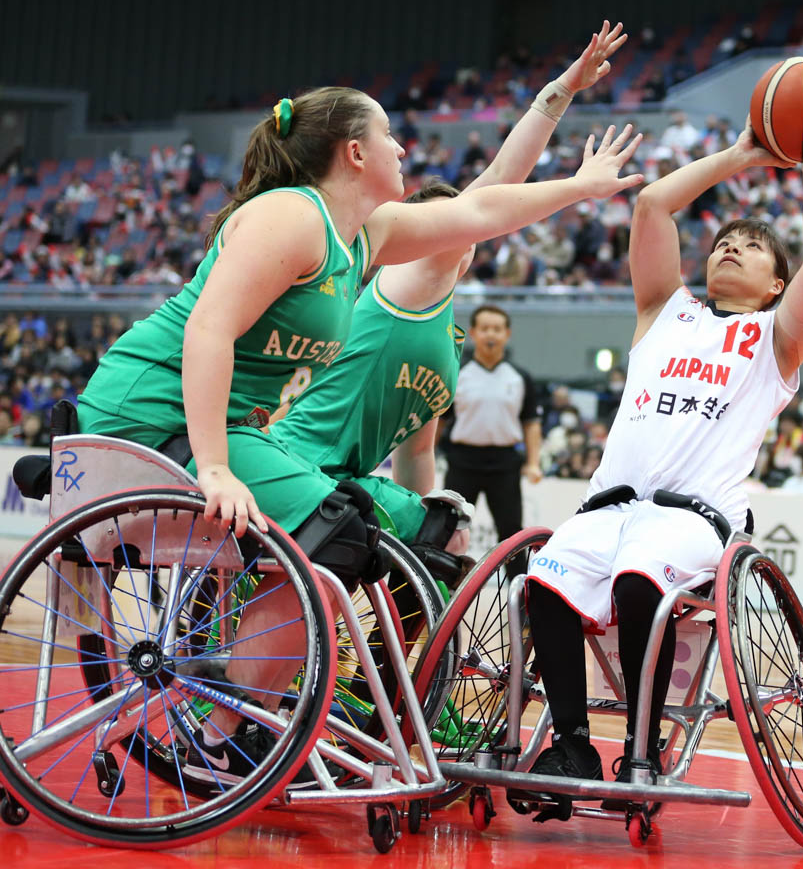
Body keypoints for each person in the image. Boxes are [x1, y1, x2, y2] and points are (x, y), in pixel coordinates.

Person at [75, 82, 644, 783]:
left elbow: (483, 207)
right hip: (148, 415)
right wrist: (217, 467)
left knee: (349, 538)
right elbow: (207, 329)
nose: (404, 148)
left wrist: (580, 188)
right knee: (342, 529)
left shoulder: (360, 238)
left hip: (214, 426)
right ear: (353, 152)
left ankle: (231, 712)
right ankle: (224, 714)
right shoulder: (291, 216)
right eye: (389, 136)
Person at [505, 114, 803, 815]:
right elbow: (651, 205)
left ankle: (643, 749)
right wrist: (739, 155)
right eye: (724, 241)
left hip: (694, 518)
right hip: (609, 506)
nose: (730, 249)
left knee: (641, 583)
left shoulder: (777, 337)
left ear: (773, 285)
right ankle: (572, 743)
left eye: (752, 248)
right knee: (539, 582)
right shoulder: (664, 311)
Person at [269, 22, 631, 565]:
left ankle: (400, 649)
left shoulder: (446, 332)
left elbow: (416, 452)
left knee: (440, 533)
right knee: (446, 537)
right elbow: (501, 180)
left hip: (345, 479)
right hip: (303, 465)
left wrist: (421, 529)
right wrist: (558, 95)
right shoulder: (407, 276)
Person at [441, 304, 544, 541]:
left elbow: (531, 423)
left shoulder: (520, 377)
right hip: (462, 462)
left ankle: (518, 579)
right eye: (485, 328)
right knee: (448, 528)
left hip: (505, 463)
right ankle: (439, 579)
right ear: (473, 332)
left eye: (497, 329)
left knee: (511, 531)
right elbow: (439, 420)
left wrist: (533, 462)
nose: (491, 334)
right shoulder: (457, 372)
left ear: (507, 334)